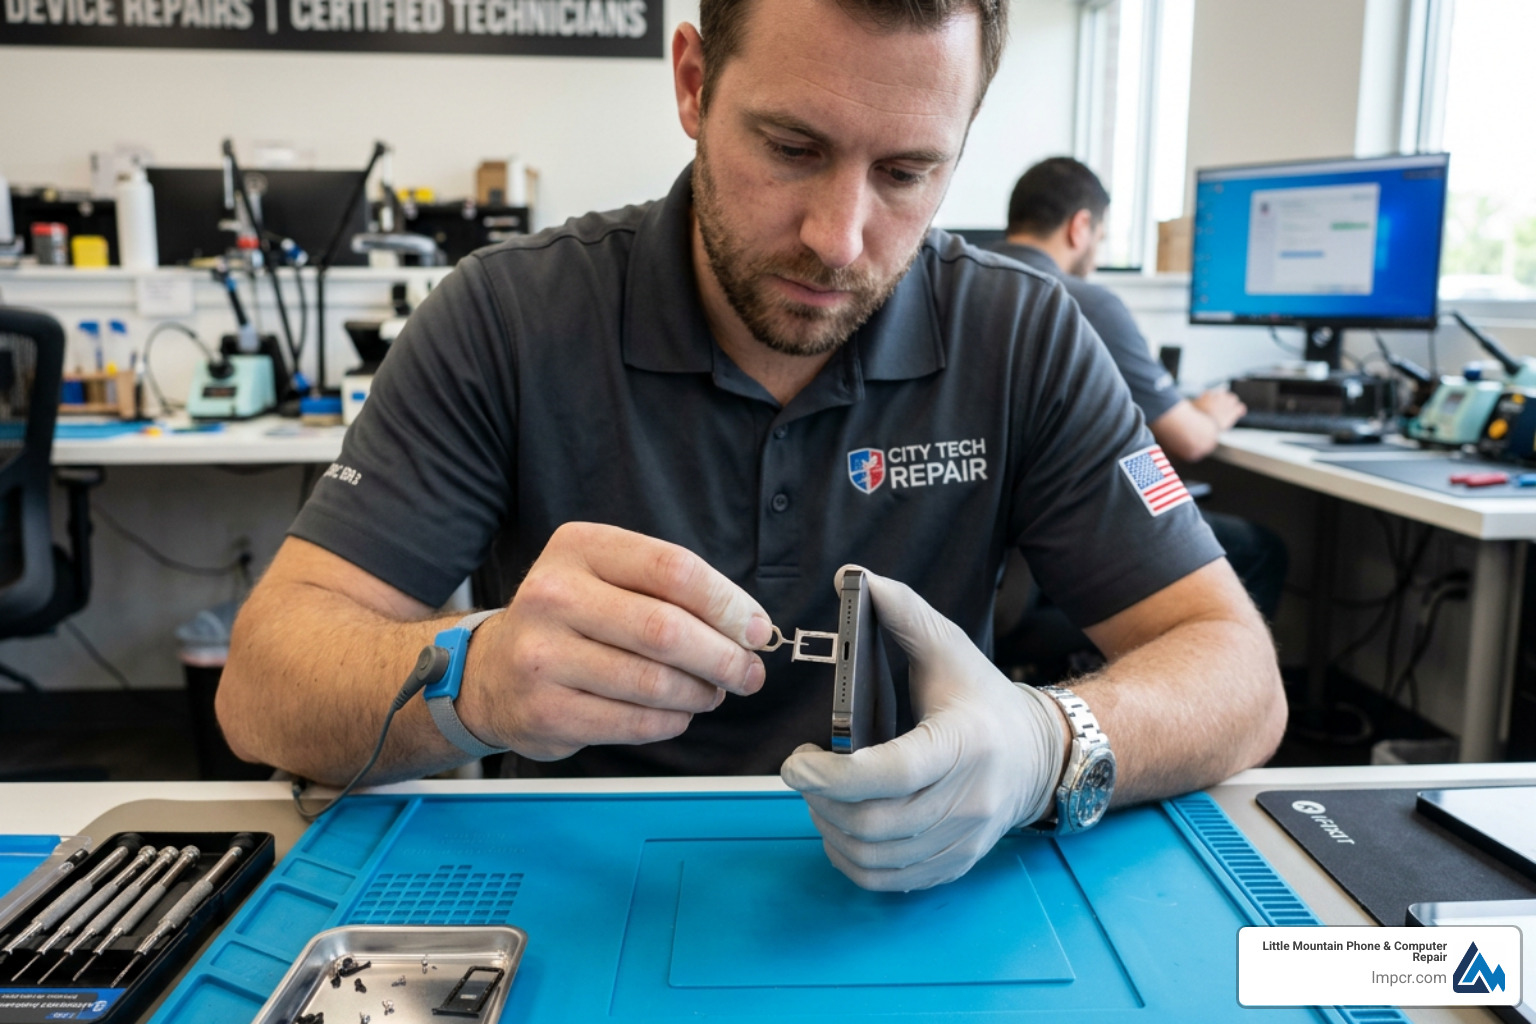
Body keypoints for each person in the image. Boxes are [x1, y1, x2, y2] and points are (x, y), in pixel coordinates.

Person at [218, 0, 1286, 892]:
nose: (838, 238)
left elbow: (1239, 673)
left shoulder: (1022, 333)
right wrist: (476, 676)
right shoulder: (508, 317)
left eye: (907, 172)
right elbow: (261, 686)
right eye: (791, 148)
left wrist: (1049, 742)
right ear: (693, 84)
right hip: (583, 890)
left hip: (922, 897)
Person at [989, 157, 1289, 621]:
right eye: (1101, 237)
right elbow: (1190, 441)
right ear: (1080, 227)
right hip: (1047, 559)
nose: (1096, 253)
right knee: (1261, 549)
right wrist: (1209, 415)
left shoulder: (962, 286)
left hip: (983, 566)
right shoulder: (1081, 302)